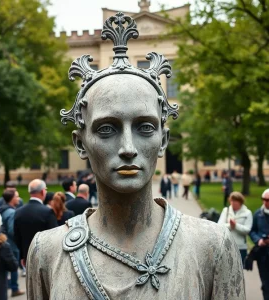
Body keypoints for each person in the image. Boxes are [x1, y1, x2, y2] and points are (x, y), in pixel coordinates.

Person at [27, 13, 244, 299]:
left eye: (145, 127)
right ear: (81, 144)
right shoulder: (45, 252)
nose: (128, 147)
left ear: (163, 140)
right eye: (107, 128)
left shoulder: (213, 246)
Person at [14, 179, 58, 267]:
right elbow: (55, 236)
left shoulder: (19, 211)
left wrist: (23, 256)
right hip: (45, 257)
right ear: (42, 191)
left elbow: (17, 237)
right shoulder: (47, 212)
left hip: (28, 257)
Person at [0, 190, 25, 297]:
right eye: (17, 197)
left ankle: (8, 286)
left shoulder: (2, 209)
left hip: (3, 242)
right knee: (13, 267)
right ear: (12, 198)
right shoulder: (11, 212)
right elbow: (12, 230)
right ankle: (15, 288)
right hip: (11, 245)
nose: (18, 199)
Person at [218, 192, 253, 265]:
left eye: (235, 201)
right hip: (227, 245)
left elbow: (247, 229)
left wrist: (236, 226)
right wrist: (230, 226)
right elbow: (219, 226)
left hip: (240, 247)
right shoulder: (226, 210)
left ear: (240, 202)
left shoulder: (247, 213)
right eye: (231, 201)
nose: (233, 203)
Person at [250, 188, 269, 300]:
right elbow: (252, 231)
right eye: (264, 199)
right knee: (265, 282)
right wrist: (259, 240)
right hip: (262, 253)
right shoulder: (258, 214)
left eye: (268, 200)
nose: (266, 202)